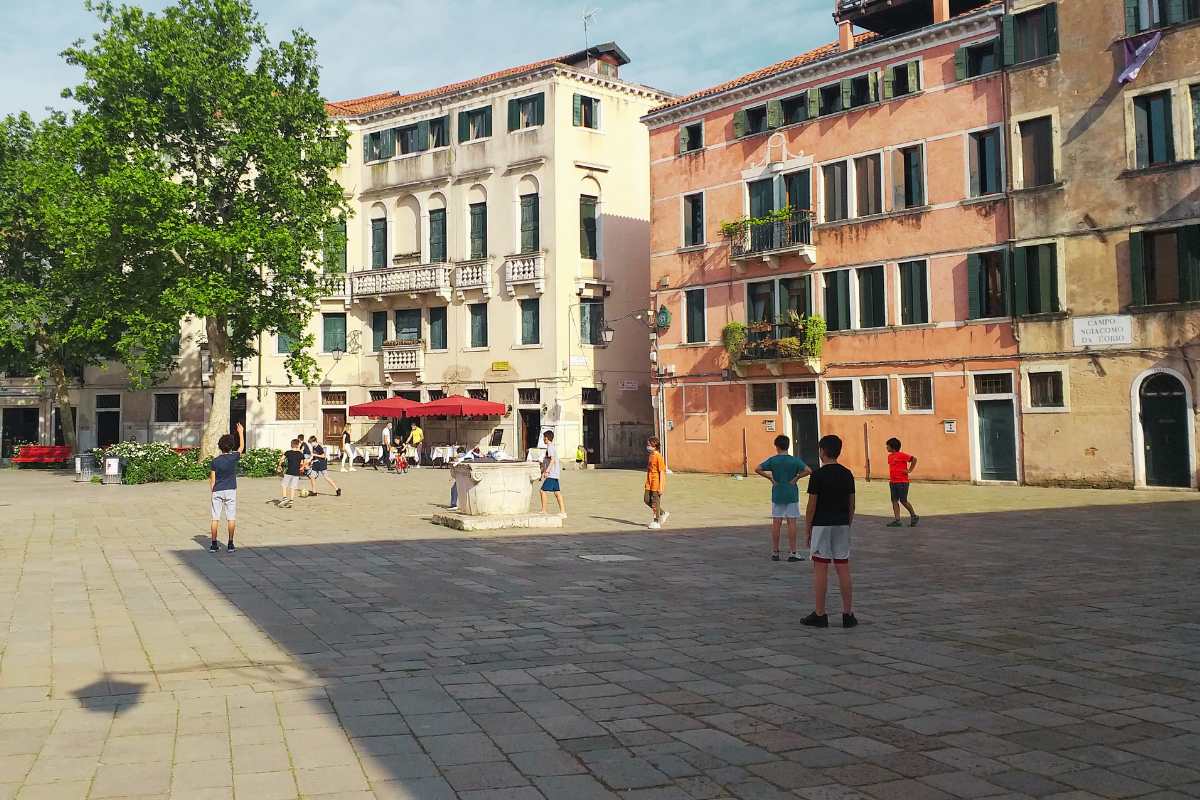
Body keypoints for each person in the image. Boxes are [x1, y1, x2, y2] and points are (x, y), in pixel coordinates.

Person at [803, 435, 857, 629]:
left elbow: (812, 505)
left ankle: (820, 613)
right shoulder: (847, 474)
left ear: (822, 451)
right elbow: (852, 503)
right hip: (842, 524)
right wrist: (847, 523)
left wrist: (808, 528)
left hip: (822, 525)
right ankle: (848, 614)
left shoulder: (817, 475)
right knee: (843, 567)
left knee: (820, 569)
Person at [755, 435, 812, 562]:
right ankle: (793, 552)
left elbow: (758, 468)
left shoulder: (773, 460)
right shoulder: (794, 460)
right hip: (791, 494)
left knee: (776, 522)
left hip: (778, 493)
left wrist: (770, 478)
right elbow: (808, 470)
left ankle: (775, 552)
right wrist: (797, 477)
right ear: (788, 445)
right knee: (792, 522)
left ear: (776, 446)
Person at [208, 423, 244, 552]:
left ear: (220, 446)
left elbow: (212, 480)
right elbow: (241, 447)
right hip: (230, 490)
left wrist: (213, 491)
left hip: (217, 490)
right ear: (230, 447)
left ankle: (213, 544)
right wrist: (240, 432)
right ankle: (230, 543)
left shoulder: (215, 461)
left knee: (215, 518)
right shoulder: (233, 457)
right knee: (231, 517)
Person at [885, 437, 919, 528]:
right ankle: (897, 520)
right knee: (894, 501)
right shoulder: (889, 456)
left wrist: (909, 470)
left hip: (902, 482)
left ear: (893, 447)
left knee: (903, 501)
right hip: (893, 482)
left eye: (887, 446)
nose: (886, 448)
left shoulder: (902, 455)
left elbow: (914, 459)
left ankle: (914, 516)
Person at [539, 430, 566, 516]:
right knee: (557, 492)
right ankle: (563, 512)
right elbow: (547, 461)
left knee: (542, 491)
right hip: (555, 474)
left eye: (544, 437)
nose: (543, 439)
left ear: (546, 438)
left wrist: (547, 471)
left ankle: (544, 510)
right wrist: (542, 471)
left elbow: (552, 460)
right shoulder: (551, 447)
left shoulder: (550, 447)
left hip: (552, 474)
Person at [644, 437, 669, 529]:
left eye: (649, 445)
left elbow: (662, 472)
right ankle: (662, 513)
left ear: (655, 446)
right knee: (646, 500)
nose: (648, 447)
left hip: (656, 483)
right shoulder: (651, 455)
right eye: (647, 445)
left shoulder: (659, 457)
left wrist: (661, 487)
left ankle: (656, 521)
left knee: (655, 503)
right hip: (649, 482)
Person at [277, 438, 305, 508]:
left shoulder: (288, 452)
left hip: (289, 472)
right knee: (293, 487)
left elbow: (281, 459)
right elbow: (302, 463)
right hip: (296, 473)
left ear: (291, 445)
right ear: (298, 445)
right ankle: (291, 501)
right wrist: (302, 468)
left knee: (284, 485)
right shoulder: (300, 454)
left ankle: (285, 499)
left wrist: (279, 465)